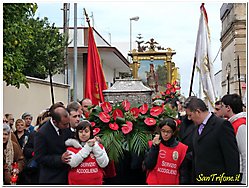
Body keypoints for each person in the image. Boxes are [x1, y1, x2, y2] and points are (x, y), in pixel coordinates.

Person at [184, 96, 240, 184]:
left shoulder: (222, 125)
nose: (189, 118)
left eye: (190, 115)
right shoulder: (196, 128)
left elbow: (231, 159)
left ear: (198, 112)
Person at [34, 102, 72, 184]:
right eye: (65, 124)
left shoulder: (66, 127)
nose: (67, 126)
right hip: (51, 178)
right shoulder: (42, 133)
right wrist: (59, 159)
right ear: (55, 122)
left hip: (67, 176)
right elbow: (39, 157)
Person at [143, 118, 188, 185]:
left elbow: (184, 173)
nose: (165, 134)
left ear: (173, 132)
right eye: (163, 131)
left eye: (168, 132)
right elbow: (148, 165)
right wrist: (154, 147)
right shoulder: (152, 144)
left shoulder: (182, 148)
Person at [65, 120, 109, 185]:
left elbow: (104, 164)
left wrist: (95, 146)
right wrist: (87, 148)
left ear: (91, 133)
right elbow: (73, 163)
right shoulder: (71, 148)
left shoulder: (99, 147)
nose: (83, 134)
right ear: (77, 133)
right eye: (80, 132)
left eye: (86, 131)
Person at [221, 93, 246, 184]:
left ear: (228, 108)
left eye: (222, 106)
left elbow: (245, 154)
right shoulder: (231, 123)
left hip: (240, 176)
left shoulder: (241, 125)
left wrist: (244, 181)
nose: (221, 109)